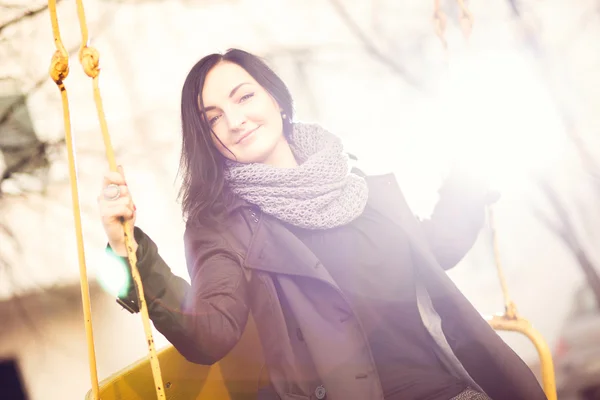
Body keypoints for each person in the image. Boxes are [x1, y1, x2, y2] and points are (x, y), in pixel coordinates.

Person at [98, 48, 547, 400]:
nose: (234, 121)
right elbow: (208, 333)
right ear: (208, 140)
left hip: (450, 390)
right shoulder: (223, 229)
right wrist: (127, 250)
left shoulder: (362, 189)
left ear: (275, 97)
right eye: (212, 119)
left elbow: (438, 246)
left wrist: (471, 171)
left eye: (244, 96)